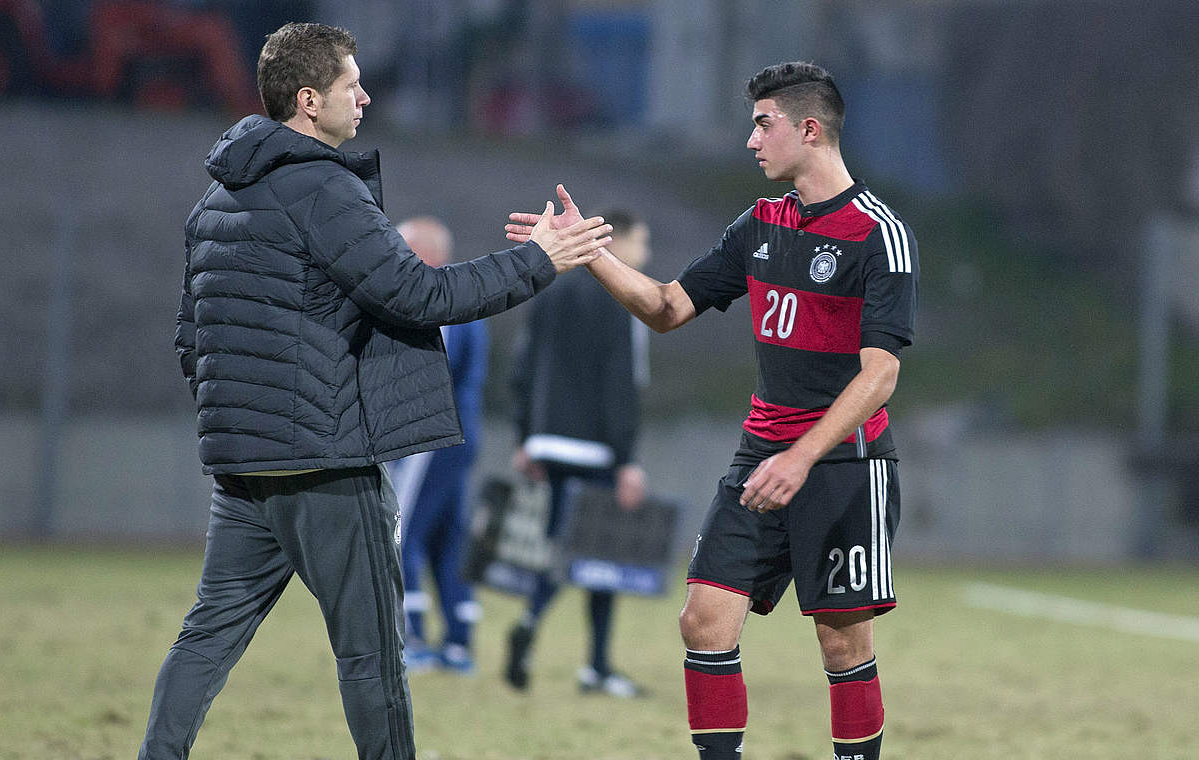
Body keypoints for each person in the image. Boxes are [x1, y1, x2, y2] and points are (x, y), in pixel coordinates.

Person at [139, 22, 613, 760]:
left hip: (241, 463)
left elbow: (188, 335)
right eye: (349, 85)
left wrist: (238, 418)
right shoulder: (323, 186)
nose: (364, 96)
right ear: (307, 100)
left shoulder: (217, 199)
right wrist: (540, 261)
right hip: (324, 464)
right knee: (372, 654)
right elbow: (420, 294)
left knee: (207, 636)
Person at [505, 62, 918, 760]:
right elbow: (667, 308)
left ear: (809, 129)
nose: (751, 140)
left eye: (763, 124)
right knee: (703, 621)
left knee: (842, 641)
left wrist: (803, 456)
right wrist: (589, 255)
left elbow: (881, 374)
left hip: (844, 465)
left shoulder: (878, 233)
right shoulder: (758, 223)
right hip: (761, 460)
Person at [504, 209, 652, 698]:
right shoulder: (624, 297)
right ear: (619, 241)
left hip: (549, 442)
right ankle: (595, 665)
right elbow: (621, 384)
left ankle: (539, 626)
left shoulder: (551, 291)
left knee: (564, 544)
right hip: (596, 447)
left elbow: (522, 368)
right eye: (641, 242)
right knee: (598, 554)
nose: (645, 254)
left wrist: (526, 437)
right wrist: (626, 456)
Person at [386, 216, 486, 674]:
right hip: (459, 434)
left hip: (432, 436)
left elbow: (427, 378)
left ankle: (415, 639)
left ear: (429, 253)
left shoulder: (433, 298)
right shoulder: (463, 297)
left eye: (403, 246)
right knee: (450, 539)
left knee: (404, 533)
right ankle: (459, 643)